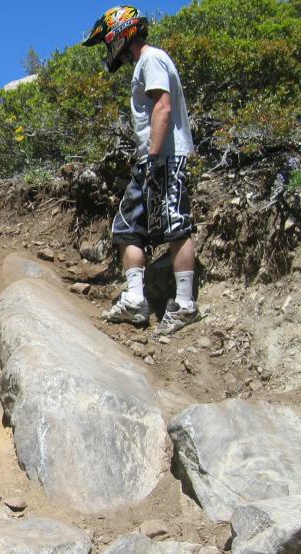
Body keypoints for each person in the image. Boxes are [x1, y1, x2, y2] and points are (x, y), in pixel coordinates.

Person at [82, 6, 199, 336]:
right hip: (151, 160)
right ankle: (135, 300)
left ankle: (186, 305)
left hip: (163, 157)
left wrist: (153, 156)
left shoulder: (151, 59)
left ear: (121, 34)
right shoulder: (144, 63)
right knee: (127, 228)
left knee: (176, 226)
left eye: (108, 41)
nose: (109, 49)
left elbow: (163, 106)